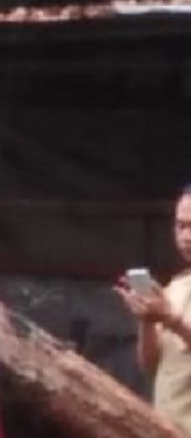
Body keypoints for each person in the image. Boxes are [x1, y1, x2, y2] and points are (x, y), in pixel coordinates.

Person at [117, 187, 191, 436]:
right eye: (180, 226)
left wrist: (172, 320)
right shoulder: (176, 286)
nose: (186, 236)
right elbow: (148, 365)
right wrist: (146, 320)